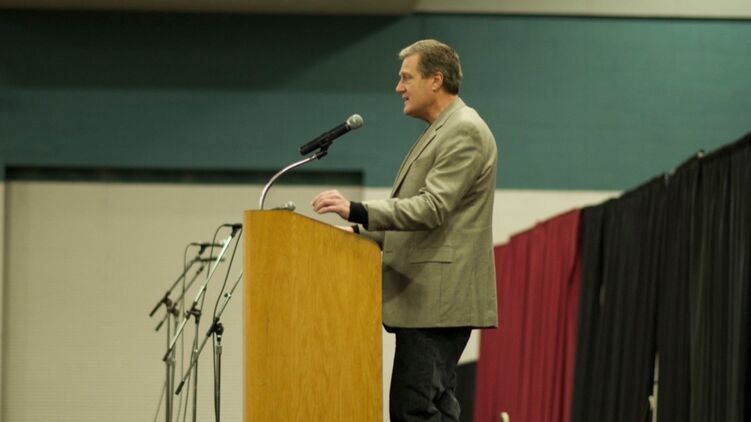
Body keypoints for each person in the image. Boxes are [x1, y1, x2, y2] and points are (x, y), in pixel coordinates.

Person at [311, 39, 498, 422]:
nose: (399, 87)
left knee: (415, 411)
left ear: (436, 80)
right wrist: (360, 237)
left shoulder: (464, 130)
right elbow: (423, 221)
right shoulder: (442, 130)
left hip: (437, 303)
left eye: (406, 77)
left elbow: (432, 208)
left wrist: (358, 210)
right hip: (429, 303)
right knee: (430, 409)